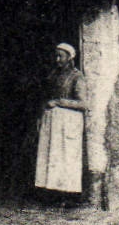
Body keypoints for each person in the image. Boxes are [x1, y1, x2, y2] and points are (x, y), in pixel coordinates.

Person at [34, 42, 86, 195]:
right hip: (53, 122)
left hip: (68, 122)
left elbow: (83, 103)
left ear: (69, 58)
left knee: (66, 157)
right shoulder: (53, 75)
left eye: (60, 56)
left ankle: (68, 195)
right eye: (56, 56)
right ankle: (53, 193)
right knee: (52, 157)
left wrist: (58, 102)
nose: (57, 60)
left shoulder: (77, 76)